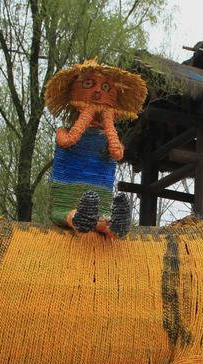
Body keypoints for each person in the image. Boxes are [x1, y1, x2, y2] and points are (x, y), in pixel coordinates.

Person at [44, 59, 146, 234]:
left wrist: (108, 125)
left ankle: (110, 225)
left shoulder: (106, 140)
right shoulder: (63, 131)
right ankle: (77, 217)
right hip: (65, 197)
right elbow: (66, 141)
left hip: (101, 194)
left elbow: (117, 153)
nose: (98, 91)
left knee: (101, 216)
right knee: (66, 213)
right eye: (89, 84)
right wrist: (87, 115)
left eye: (106, 87)